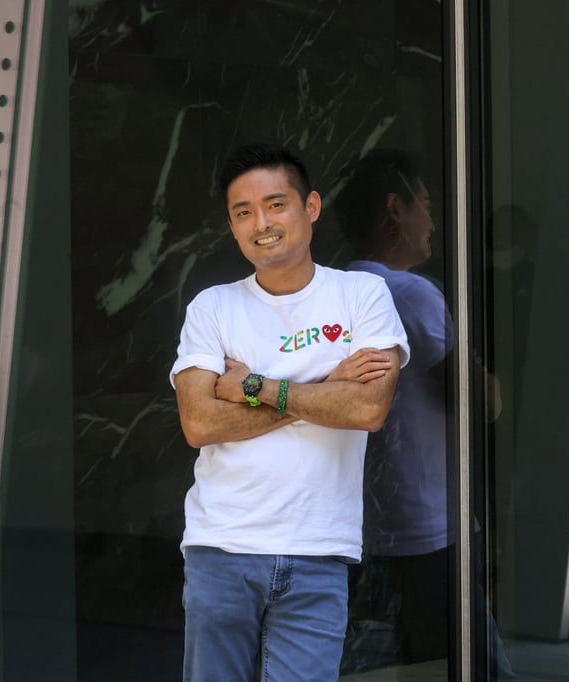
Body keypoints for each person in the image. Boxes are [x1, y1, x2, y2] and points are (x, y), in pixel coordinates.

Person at [170, 143, 410, 681]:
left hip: (319, 548)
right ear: (232, 226)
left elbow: (369, 408)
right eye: (243, 211)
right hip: (222, 546)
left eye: (276, 204)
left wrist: (250, 385)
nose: (262, 223)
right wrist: (327, 389)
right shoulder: (212, 307)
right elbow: (199, 424)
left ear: (312, 207)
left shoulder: (362, 295)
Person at [335, 149, 517, 679]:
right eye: (427, 205)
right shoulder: (410, 292)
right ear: (397, 209)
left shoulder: (334, 292)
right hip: (430, 528)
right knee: (473, 665)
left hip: (364, 527)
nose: (432, 222)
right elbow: (483, 400)